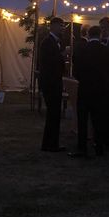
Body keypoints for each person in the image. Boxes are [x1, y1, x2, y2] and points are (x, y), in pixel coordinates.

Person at [72, 25, 109, 157]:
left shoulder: (81, 49)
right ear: (100, 35)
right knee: (98, 120)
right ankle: (99, 147)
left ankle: (82, 147)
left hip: (85, 88)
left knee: (83, 119)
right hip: (101, 90)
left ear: (89, 35)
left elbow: (76, 70)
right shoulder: (106, 50)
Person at [38, 16, 66, 152]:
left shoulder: (55, 42)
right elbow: (48, 62)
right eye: (60, 26)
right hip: (51, 84)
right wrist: (62, 55)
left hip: (54, 82)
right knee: (53, 113)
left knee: (54, 114)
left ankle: (50, 143)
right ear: (53, 26)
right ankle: (50, 144)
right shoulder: (47, 42)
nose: (62, 28)